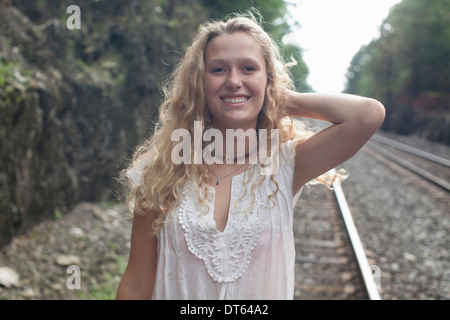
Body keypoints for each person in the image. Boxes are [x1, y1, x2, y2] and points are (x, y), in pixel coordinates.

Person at [115, 11, 385, 300]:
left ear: (268, 79)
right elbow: (136, 283)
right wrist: (253, 88)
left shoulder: (285, 164)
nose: (233, 80)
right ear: (199, 82)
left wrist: (276, 97)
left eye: (248, 68)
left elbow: (367, 114)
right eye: (218, 69)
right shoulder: (159, 172)